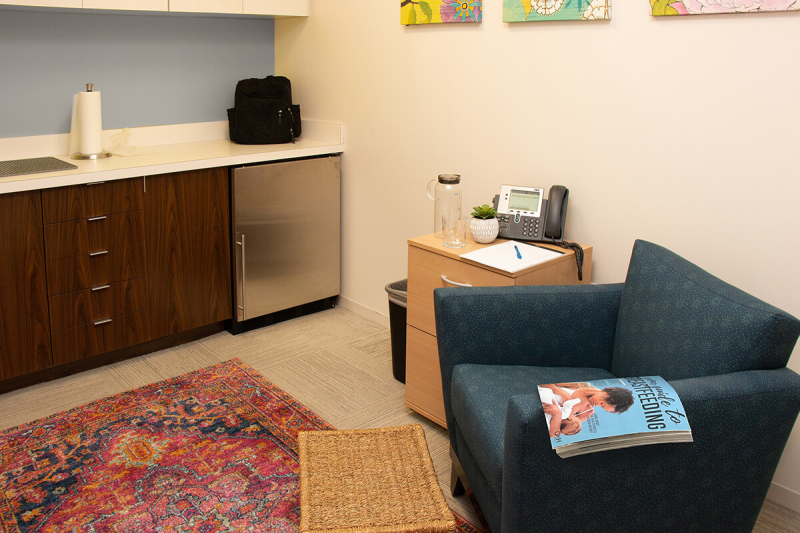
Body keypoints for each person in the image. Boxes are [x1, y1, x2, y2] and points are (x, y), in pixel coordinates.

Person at [540, 382, 634, 423]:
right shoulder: (582, 385)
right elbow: (543, 383)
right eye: (602, 404)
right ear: (608, 394)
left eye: (602, 407)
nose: (596, 405)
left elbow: (561, 430)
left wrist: (558, 415)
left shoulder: (588, 412)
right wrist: (562, 393)